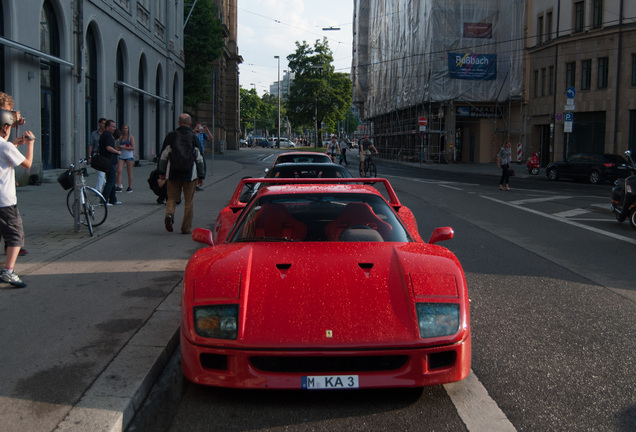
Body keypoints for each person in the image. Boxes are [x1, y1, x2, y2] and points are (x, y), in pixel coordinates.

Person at [0, 93, 35, 288]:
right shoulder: (5, 146)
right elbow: (28, 164)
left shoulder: (5, 146)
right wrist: (29, 144)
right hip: (5, 200)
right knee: (15, 235)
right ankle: (8, 271)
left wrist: (14, 144)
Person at [158, 114, 205, 234]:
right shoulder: (193, 137)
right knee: (189, 202)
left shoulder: (171, 136)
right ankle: (185, 228)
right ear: (190, 124)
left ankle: (169, 214)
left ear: (179, 123)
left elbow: (163, 156)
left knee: (172, 198)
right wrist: (201, 176)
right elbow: (199, 158)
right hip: (190, 174)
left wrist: (161, 172)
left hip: (173, 173)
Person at [98, 120, 123, 205]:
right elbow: (108, 148)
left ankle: (113, 199)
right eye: (112, 127)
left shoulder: (105, 135)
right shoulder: (108, 136)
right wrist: (117, 152)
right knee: (110, 181)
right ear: (107, 127)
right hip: (109, 161)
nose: (114, 128)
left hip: (109, 161)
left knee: (111, 180)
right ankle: (103, 200)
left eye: (114, 127)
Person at [88, 118, 106, 192]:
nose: (104, 125)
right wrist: (89, 156)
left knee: (101, 173)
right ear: (99, 124)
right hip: (97, 154)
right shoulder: (94, 134)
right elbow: (90, 145)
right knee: (100, 173)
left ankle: (102, 187)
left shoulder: (107, 133)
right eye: (103, 123)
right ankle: (99, 190)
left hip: (105, 154)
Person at [116, 124, 135, 193]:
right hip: (121, 156)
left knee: (129, 172)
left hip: (129, 156)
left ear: (128, 129)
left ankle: (130, 187)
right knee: (119, 171)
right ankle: (119, 186)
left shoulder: (130, 137)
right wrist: (117, 149)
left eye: (126, 128)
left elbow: (133, 147)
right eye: (124, 128)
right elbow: (118, 146)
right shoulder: (120, 138)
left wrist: (124, 147)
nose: (125, 130)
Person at [193, 123, 210, 191]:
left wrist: (207, 130)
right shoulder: (192, 134)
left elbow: (211, 138)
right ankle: (195, 184)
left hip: (201, 153)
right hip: (193, 153)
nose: (199, 128)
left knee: (201, 168)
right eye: (197, 126)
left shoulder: (202, 134)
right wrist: (194, 130)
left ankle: (198, 183)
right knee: (194, 168)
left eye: (200, 127)